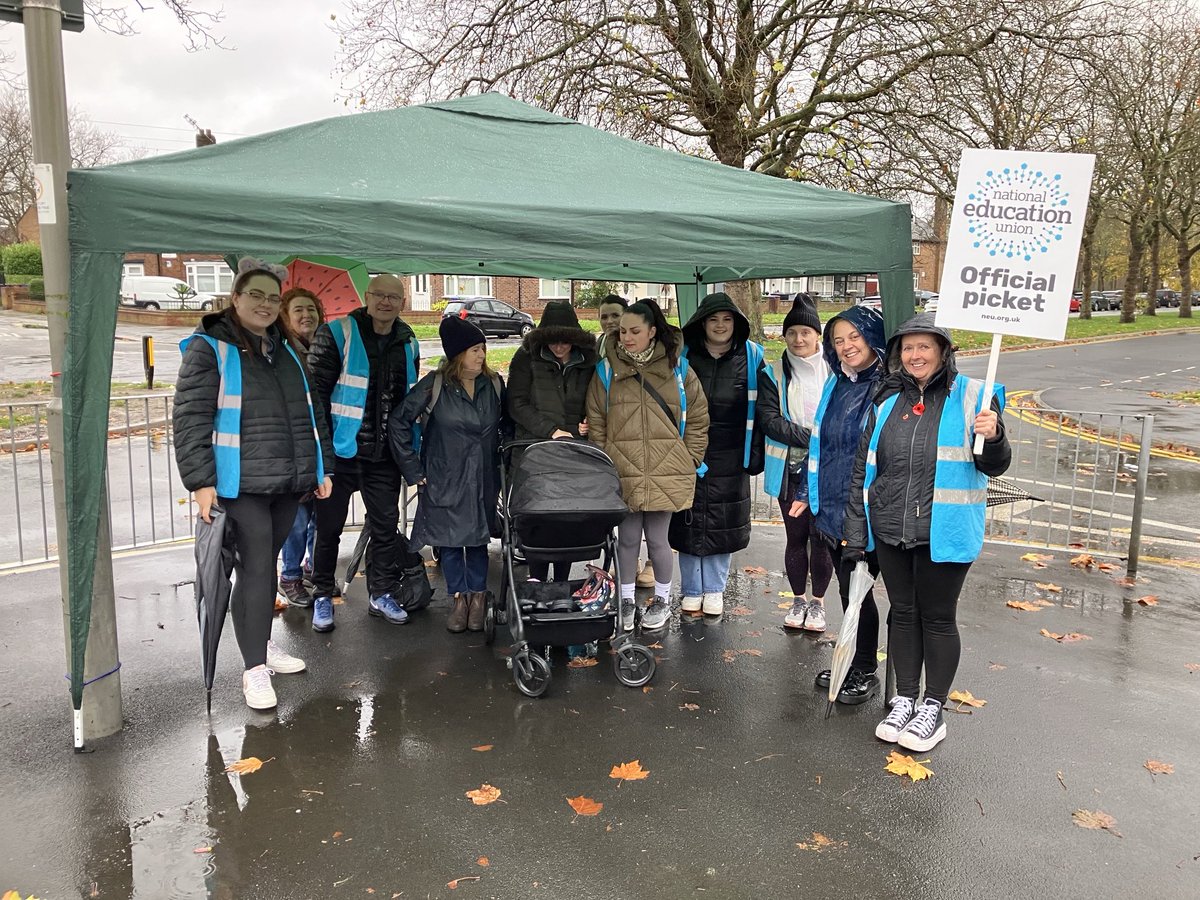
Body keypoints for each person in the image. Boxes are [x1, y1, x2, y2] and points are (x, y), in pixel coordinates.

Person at [843, 312, 1010, 752]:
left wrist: (993, 438)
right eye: (908, 348)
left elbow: (994, 465)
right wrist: (856, 535)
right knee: (903, 611)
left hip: (946, 530)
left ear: (943, 351)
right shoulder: (886, 402)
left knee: (936, 618)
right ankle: (904, 699)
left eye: (925, 347)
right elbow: (864, 471)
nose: (916, 355)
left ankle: (932, 708)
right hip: (892, 528)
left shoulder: (976, 395)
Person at [173, 258, 333, 710]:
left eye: (272, 298)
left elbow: (311, 412)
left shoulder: (287, 350)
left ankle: (260, 646)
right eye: (256, 295)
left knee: (258, 570)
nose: (265, 304)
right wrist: (201, 482)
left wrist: (323, 469)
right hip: (237, 483)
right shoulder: (210, 347)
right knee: (259, 566)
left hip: (286, 481)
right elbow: (189, 419)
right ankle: (253, 670)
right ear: (236, 298)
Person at [667, 293, 809, 615]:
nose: (720, 326)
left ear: (736, 324)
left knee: (724, 522)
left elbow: (763, 411)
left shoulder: (753, 355)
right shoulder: (683, 356)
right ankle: (691, 589)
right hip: (689, 451)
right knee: (687, 520)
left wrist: (754, 455)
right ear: (702, 322)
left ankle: (715, 589)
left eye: (727, 319)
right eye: (714, 319)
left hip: (733, 453)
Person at [586, 300, 709, 631]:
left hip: (666, 467)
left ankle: (662, 601)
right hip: (621, 468)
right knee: (626, 539)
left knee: (658, 540)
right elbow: (596, 419)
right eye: (623, 331)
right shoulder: (606, 370)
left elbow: (697, 417)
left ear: (653, 331)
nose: (627, 337)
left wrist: (690, 457)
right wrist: (603, 459)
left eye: (635, 331)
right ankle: (626, 600)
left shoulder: (679, 369)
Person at [307, 274, 420, 632]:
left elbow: (407, 401)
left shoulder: (408, 341)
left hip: (384, 455)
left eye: (393, 297)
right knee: (328, 530)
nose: (386, 302)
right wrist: (320, 455)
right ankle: (323, 594)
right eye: (380, 295)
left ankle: (381, 592)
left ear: (402, 303)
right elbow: (315, 398)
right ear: (367, 297)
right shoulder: (338, 333)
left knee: (386, 528)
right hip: (340, 453)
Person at [390, 316, 505, 633]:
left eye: (482, 349)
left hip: (482, 475)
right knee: (451, 543)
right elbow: (399, 422)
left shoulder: (494, 384)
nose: (480, 355)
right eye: (473, 350)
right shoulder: (436, 384)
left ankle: (478, 598)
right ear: (457, 354)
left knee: (479, 539)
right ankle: (459, 598)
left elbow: (505, 426)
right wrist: (413, 469)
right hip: (444, 475)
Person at [798, 304, 887, 705]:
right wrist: (805, 491)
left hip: (868, 510)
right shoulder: (838, 385)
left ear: (872, 336)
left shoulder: (888, 387)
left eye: (854, 336)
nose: (847, 346)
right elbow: (822, 444)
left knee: (861, 591)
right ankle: (852, 659)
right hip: (832, 508)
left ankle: (865, 668)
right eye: (838, 340)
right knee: (849, 593)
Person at [505, 301, 598, 582]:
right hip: (534, 451)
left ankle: (561, 582)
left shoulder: (589, 361)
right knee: (538, 517)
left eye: (566, 341)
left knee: (568, 518)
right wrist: (550, 430)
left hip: (573, 451)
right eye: (554, 341)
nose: (560, 347)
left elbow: (597, 399)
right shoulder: (525, 359)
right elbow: (516, 403)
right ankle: (536, 580)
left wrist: (589, 420)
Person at [768, 294, 834, 632]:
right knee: (796, 537)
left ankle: (818, 604)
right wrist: (814, 437)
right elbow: (770, 420)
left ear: (818, 336)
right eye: (791, 332)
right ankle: (797, 598)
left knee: (820, 537)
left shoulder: (836, 370)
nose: (798, 339)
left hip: (828, 470)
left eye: (805, 332)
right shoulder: (774, 373)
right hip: (790, 470)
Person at [277, 287, 326, 608]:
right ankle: (290, 576)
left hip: (320, 447)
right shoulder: (282, 353)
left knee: (319, 517)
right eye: (298, 310)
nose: (306, 315)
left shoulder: (324, 349)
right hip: (291, 451)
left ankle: (311, 567)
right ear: (286, 316)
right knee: (295, 520)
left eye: (311, 309)